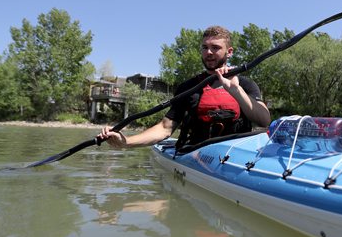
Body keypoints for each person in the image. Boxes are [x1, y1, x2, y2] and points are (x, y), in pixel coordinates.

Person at [98, 25, 271, 149]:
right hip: (195, 154)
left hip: (237, 154)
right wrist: (126, 142)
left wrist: (236, 90)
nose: (209, 52)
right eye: (205, 47)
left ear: (229, 52)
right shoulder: (188, 87)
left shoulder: (245, 84)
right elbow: (165, 128)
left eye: (215, 47)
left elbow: (264, 120)